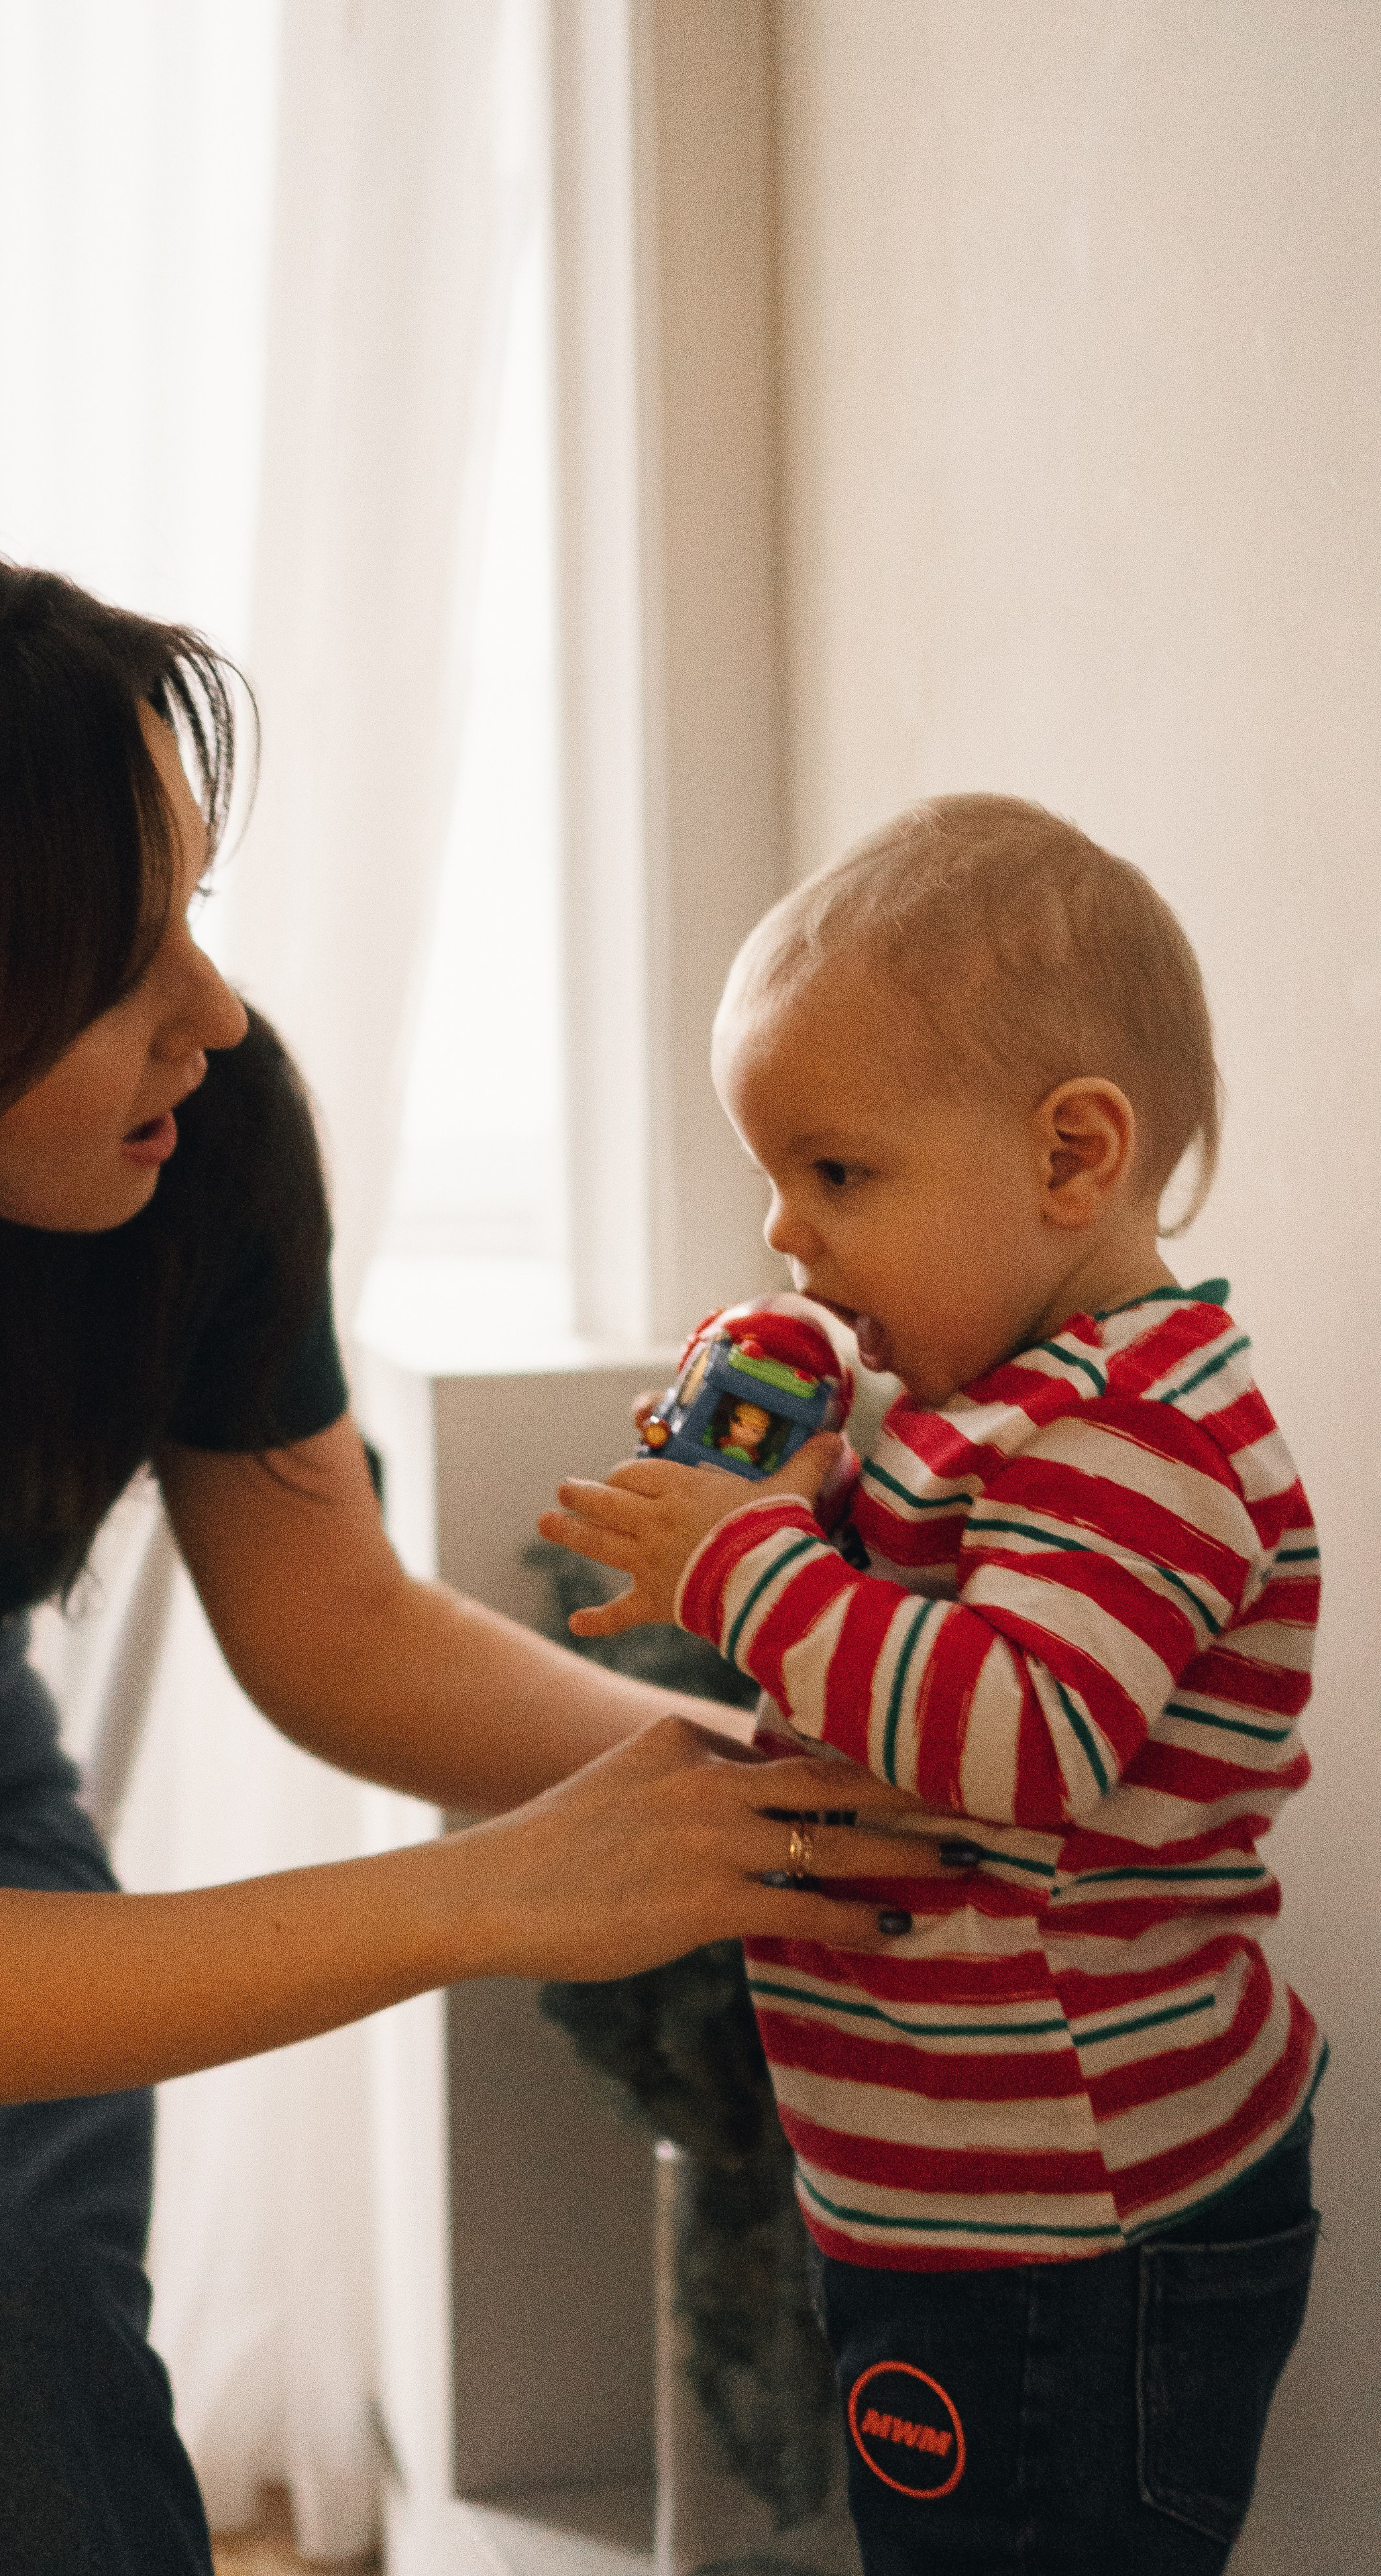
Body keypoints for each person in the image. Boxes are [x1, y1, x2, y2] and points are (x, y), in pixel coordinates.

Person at [0, 543, 966, 2576]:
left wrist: (753, 1804)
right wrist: (493, 1895)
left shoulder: (197, 1139)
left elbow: (337, 1624)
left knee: (7, 2314)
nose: (212, 1007)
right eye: (122, 958)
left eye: (193, 907)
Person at [542, 794, 1323, 2575]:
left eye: (839, 1175)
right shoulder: (1004, 1419)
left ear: (1070, 1159)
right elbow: (917, 1645)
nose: (788, 1240)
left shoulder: (1138, 1438)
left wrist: (743, 1570)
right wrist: (803, 1500)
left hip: (1071, 2225)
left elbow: (1018, 1739)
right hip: (961, 2201)